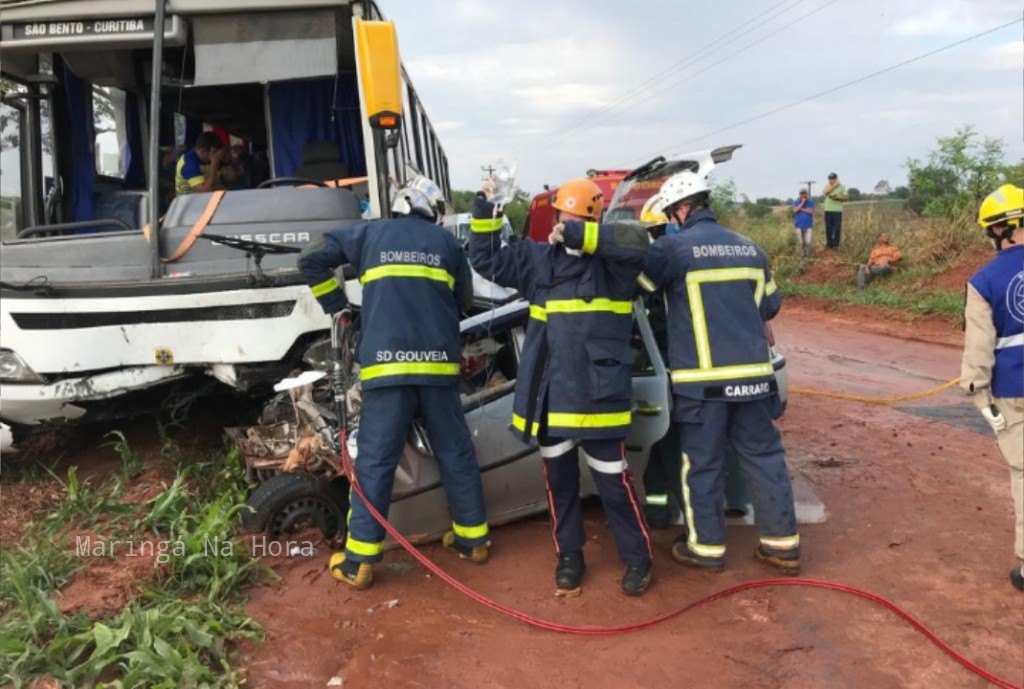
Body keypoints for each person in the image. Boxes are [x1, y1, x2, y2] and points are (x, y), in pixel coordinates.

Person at [298, 175, 490, 590]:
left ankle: (360, 561)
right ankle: (473, 541)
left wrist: (339, 307)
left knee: (376, 461)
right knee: (455, 451)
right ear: (434, 212)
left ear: (400, 204)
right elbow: (466, 303)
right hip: (439, 369)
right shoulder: (448, 245)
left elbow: (311, 257)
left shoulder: (369, 234)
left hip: (386, 370)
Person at [470, 177, 654, 597]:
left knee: (613, 483)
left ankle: (638, 558)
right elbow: (485, 259)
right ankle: (569, 555)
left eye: (572, 217)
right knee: (560, 483)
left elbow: (636, 241)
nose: (561, 224)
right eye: (561, 217)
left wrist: (581, 235)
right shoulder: (538, 260)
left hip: (599, 396)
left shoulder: (614, 264)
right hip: (552, 397)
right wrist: (484, 207)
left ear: (592, 218)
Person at [638, 171, 801, 575]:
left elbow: (641, 293)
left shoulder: (671, 249)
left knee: (703, 463)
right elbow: (771, 306)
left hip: (701, 383)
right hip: (756, 378)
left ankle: (706, 549)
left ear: (679, 210)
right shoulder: (751, 248)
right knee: (765, 459)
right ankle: (782, 546)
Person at [960, 183, 1024, 593]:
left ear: (1001, 229)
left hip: (1014, 391)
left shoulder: (985, 281)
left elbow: (979, 354)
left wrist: (979, 397)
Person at [175, 132, 227, 196]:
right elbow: (205, 192)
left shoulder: (205, 157)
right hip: (190, 200)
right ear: (202, 152)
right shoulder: (190, 164)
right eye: (214, 153)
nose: (216, 157)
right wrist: (214, 164)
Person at [822, 172, 848, 249]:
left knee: (837, 227)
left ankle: (836, 244)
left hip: (837, 210)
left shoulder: (842, 187)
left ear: (836, 179)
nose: (831, 180)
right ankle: (829, 243)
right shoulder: (827, 186)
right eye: (830, 179)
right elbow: (825, 192)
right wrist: (834, 186)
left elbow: (846, 198)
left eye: (833, 179)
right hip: (827, 209)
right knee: (828, 227)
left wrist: (837, 198)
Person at [792, 189, 815, 257]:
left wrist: (801, 209)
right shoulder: (796, 202)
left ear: (807, 194)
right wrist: (802, 203)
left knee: (808, 242)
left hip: (808, 226)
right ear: (799, 195)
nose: (803, 195)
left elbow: (811, 212)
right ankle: (800, 256)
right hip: (798, 225)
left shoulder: (811, 202)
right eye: (802, 194)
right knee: (800, 242)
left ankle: (809, 256)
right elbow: (795, 210)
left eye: (805, 194)